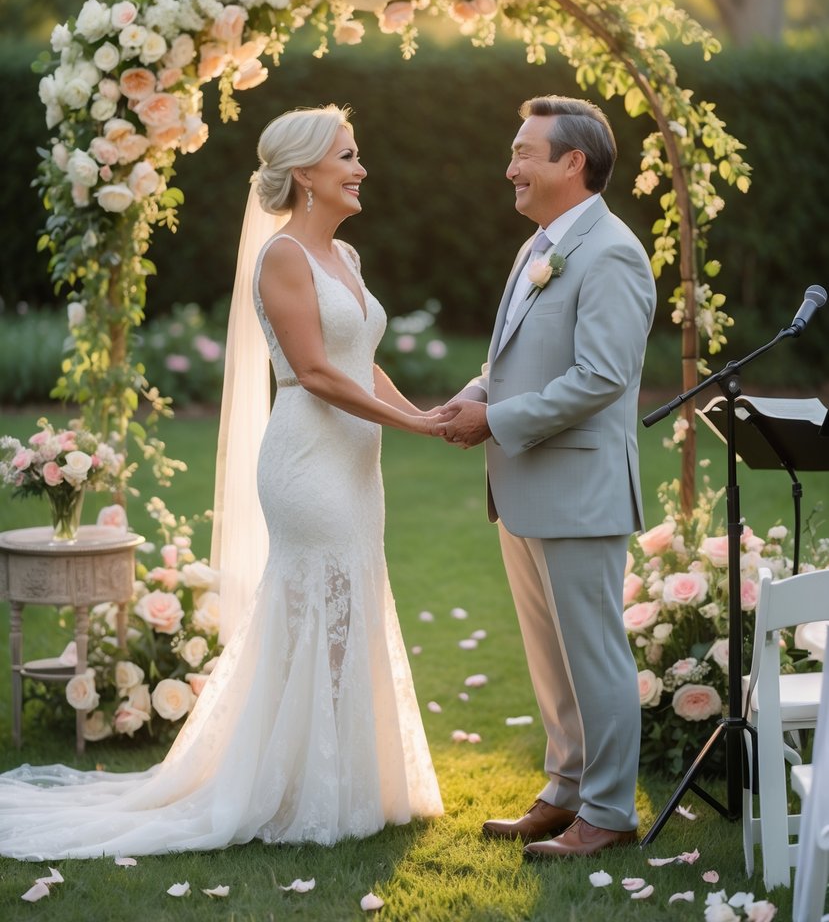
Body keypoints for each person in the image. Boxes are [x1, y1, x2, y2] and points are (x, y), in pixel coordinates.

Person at [0, 105, 443, 858]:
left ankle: (337, 777)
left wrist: (424, 413)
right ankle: (297, 788)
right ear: (305, 173)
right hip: (308, 460)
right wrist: (417, 429)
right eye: (348, 156)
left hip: (355, 464)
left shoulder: (349, 259)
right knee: (318, 610)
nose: (361, 168)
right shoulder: (282, 258)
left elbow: (360, 360)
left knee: (350, 605)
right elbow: (310, 372)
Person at [438, 95, 656, 860]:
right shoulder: (541, 244)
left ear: (573, 162)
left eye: (524, 153)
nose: (511, 169)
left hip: (579, 490)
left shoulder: (612, 253)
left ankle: (607, 812)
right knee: (549, 657)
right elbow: (515, 357)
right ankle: (563, 792)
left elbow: (599, 377)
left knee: (592, 655)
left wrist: (494, 421)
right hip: (527, 486)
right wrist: (474, 395)